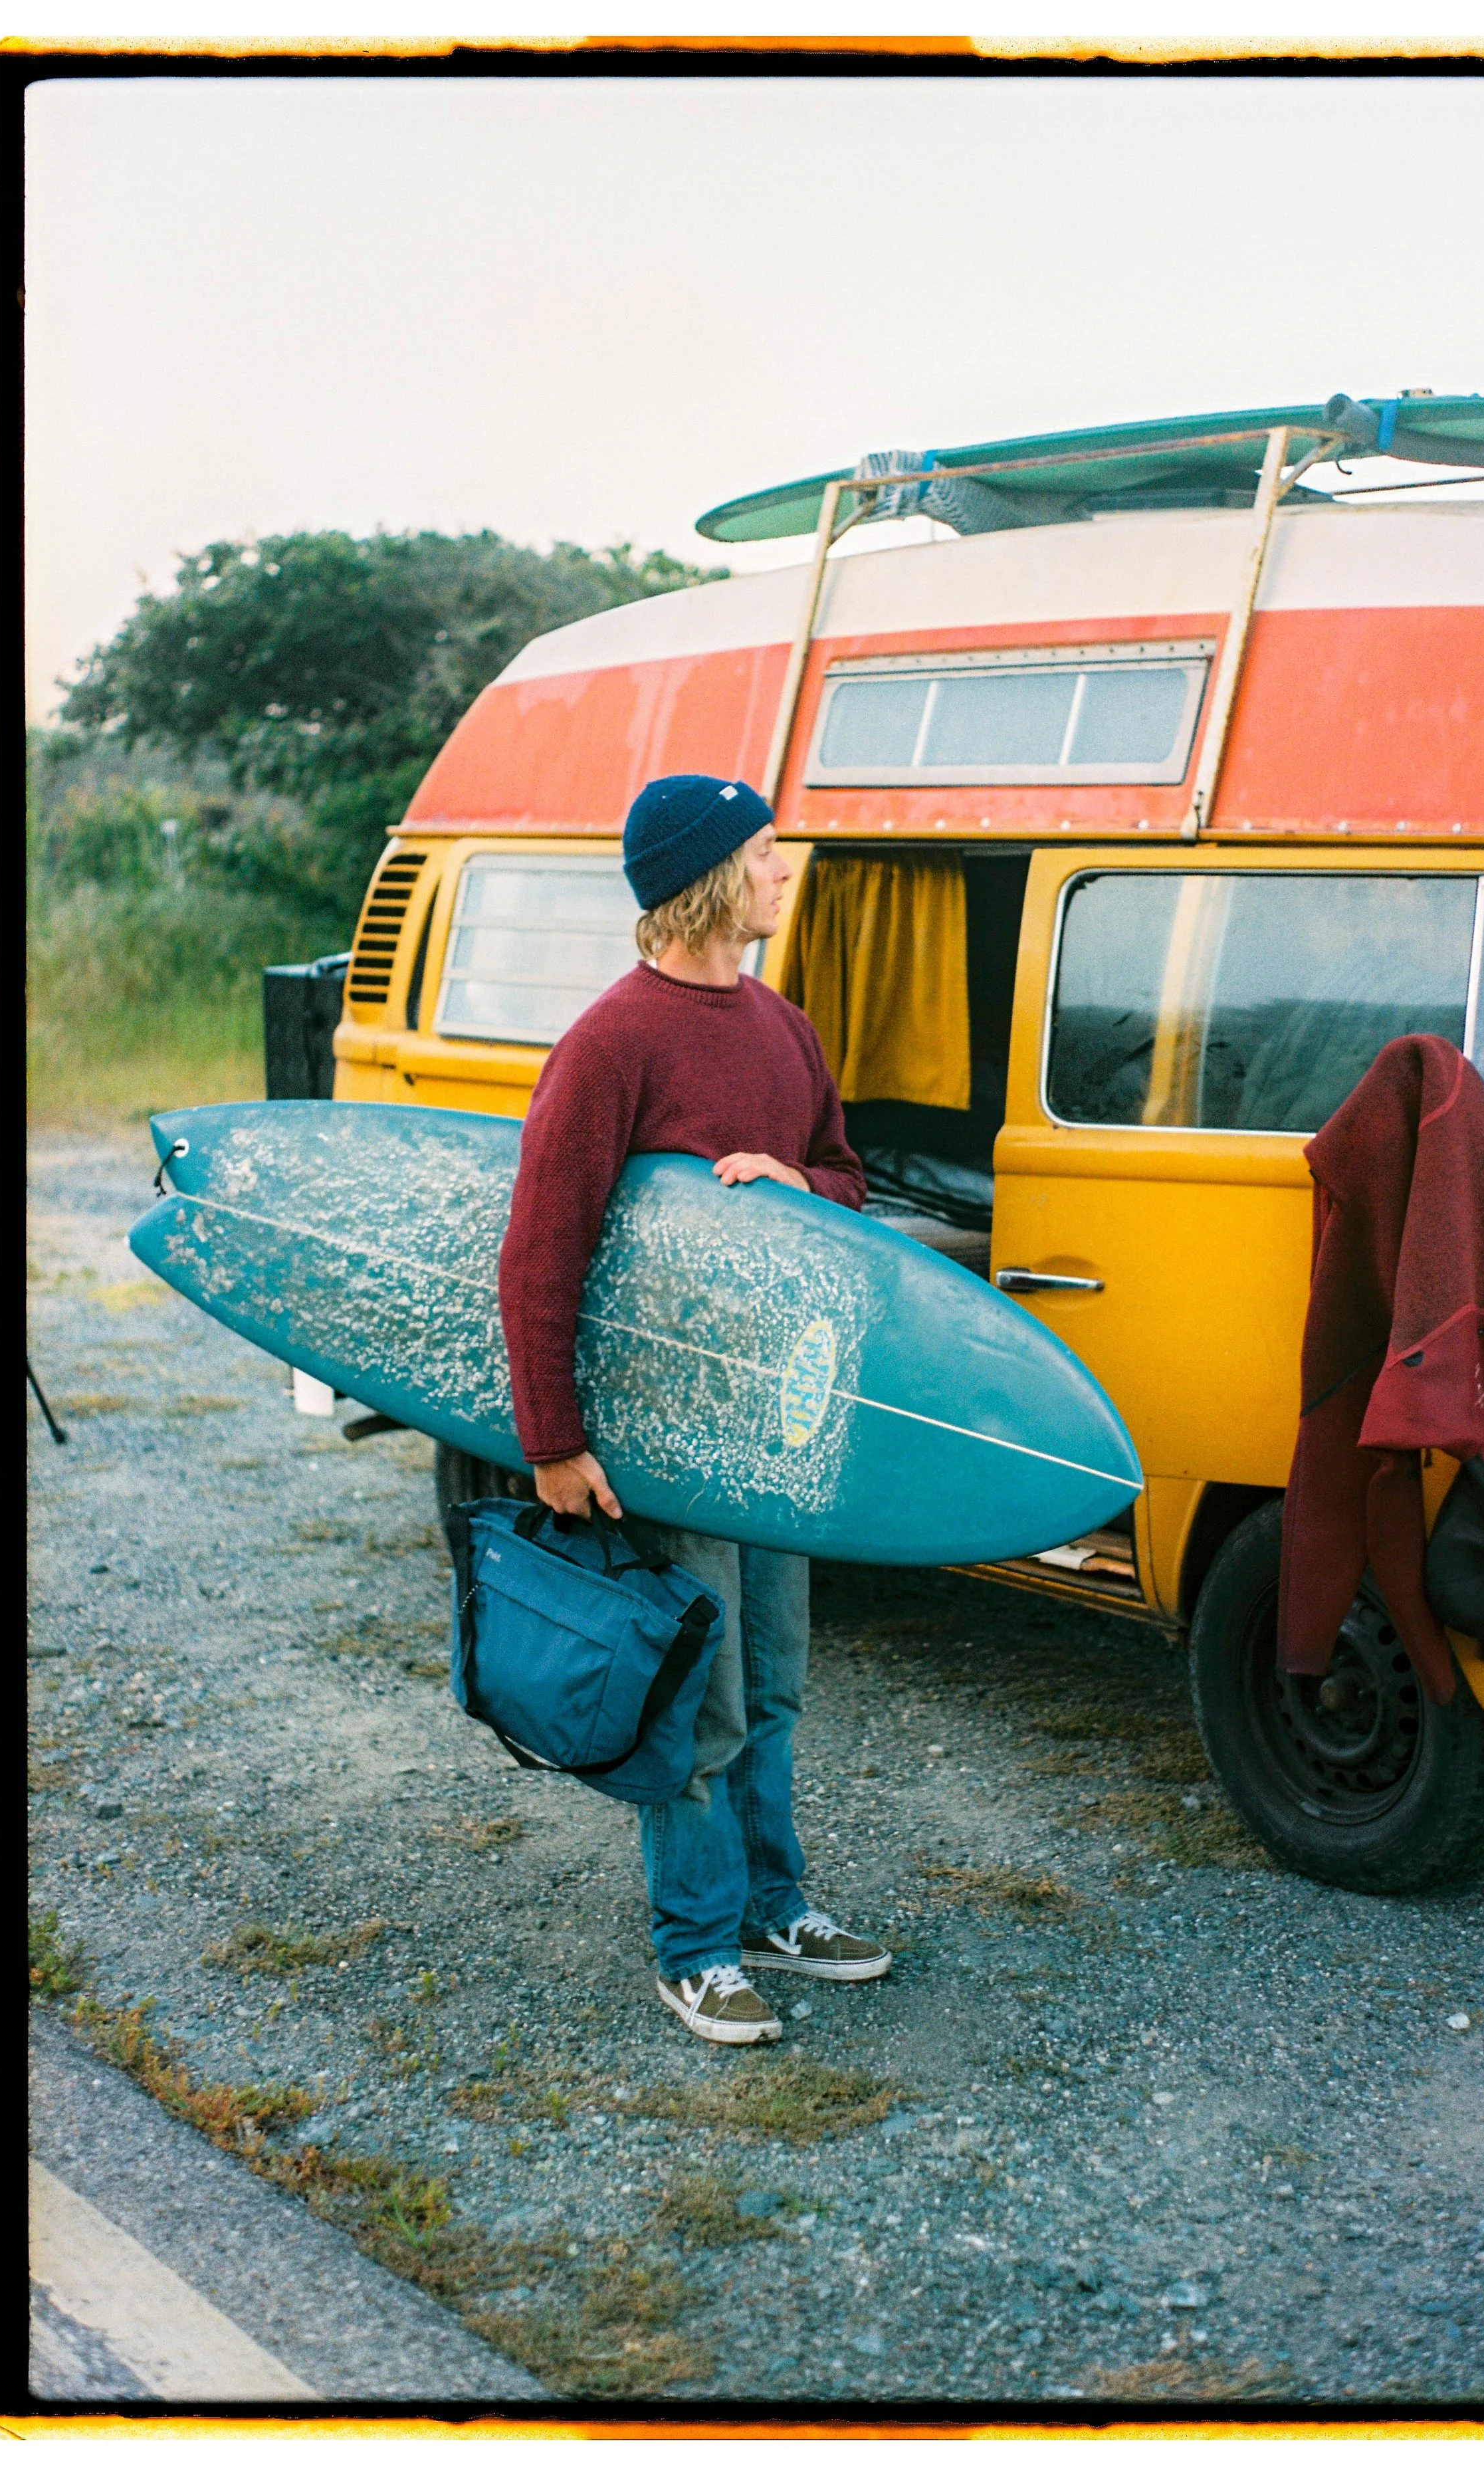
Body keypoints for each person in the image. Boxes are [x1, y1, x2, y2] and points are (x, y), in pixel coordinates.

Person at [498, 773, 893, 2045]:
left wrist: (799, 1184)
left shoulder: (786, 1027)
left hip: (778, 1427)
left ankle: (776, 1905)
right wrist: (553, 1438)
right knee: (703, 1700)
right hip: (670, 1435)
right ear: (711, 876)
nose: (788, 870)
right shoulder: (613, 1041)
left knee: (775, 1684)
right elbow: (541, 1249)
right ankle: (696, 1942)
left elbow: (847, 1177)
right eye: (769, 853)